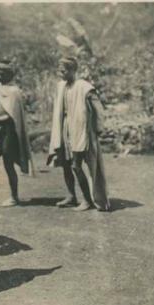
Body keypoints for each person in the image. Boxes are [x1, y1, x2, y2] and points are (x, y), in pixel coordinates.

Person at [47, 56, 110, 211]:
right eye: (59, 70)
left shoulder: (84, 86)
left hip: (80, 129)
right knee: (66, 164)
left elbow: (99, 109)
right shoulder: (61, 86)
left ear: (73, 70)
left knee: (77, 165)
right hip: (65, 128)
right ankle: (71, 196)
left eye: (64, 70)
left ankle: (88, 200)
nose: (61, 73)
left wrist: (98, 128)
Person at [0, 59, 33, 207]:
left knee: (8, 165)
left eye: (2, 73)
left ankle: (14, 197)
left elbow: (11, 116)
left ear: (9, 74)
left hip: (9, 133)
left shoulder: (14, 91)